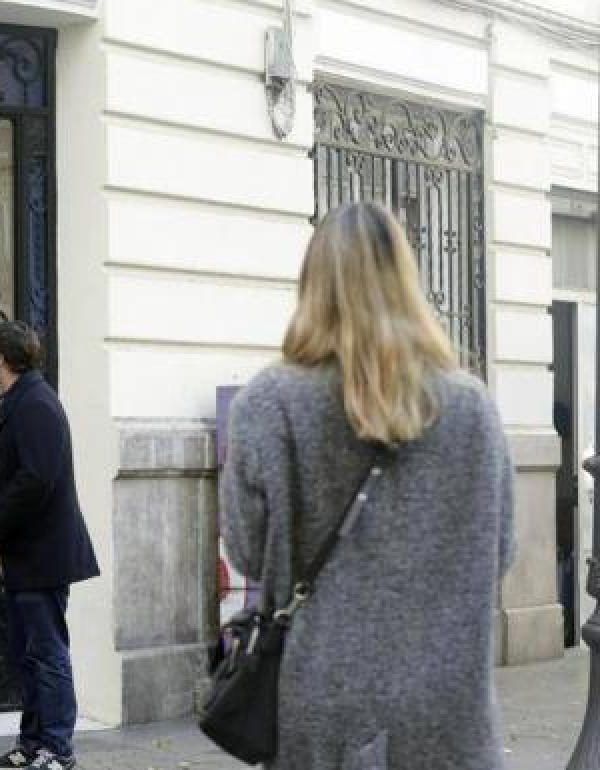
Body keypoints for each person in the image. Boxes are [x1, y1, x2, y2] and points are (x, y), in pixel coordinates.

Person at [220, 202, 516, 769]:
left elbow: (246, 550)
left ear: (312, 286)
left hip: (320, 708)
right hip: (449, 712)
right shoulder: (472, 408)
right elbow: (498, 554)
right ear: (408, 283)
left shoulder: (270, 404)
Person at [0, 321, 100, 770]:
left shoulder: (36, 405)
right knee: (28, 654)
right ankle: (30, 745)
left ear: (1, 360)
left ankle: (58, 749)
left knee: (47, 655)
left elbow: (37, 479)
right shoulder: (20, 400)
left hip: (42, 554)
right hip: (26, 553)